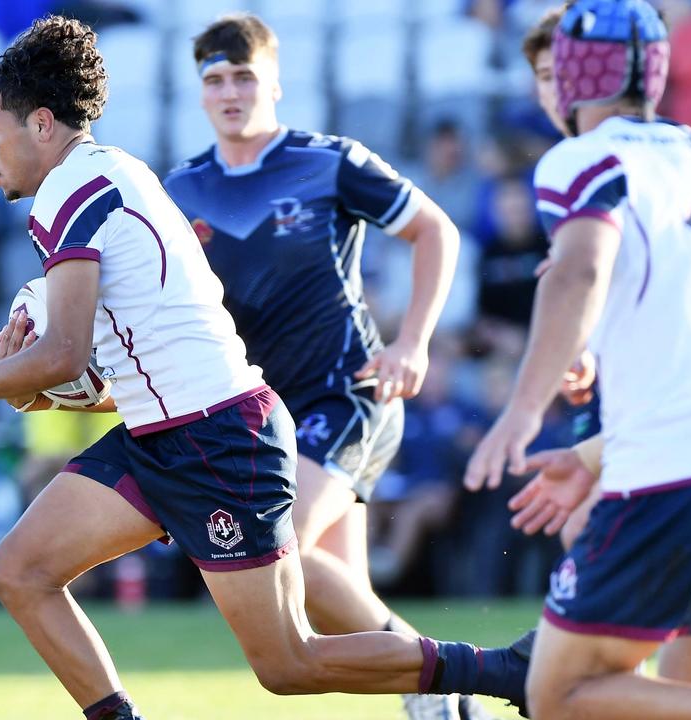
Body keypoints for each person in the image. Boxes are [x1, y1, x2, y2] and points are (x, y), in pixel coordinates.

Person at [0, 15, 528, 720]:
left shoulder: (75, 192)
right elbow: (119, 370)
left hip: (223, 437)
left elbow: (64, 353)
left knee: (289, 664)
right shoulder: (119, 174)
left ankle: (501, 670)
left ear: (40, 124)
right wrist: (39, 393)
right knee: (17, 571)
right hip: (169, 431)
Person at [161, 14, 472, 718]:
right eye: (215, 79)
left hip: (346, 393)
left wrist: (414, 341)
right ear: (200, 93)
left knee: (276, 549)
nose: (230, 90)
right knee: (340, 610)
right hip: (264, 417)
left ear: (274, 80)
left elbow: (434, 229)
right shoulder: (179, 192)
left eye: (244, 75)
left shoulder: (329, 162)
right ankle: (437, 694)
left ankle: (449, 678)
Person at [463, 1, 691, 717]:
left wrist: (523, 409)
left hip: (665, 478)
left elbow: (582, 273)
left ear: (564, 80)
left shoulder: (580, 159)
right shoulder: (689, 151)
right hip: (659, 452)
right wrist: (593, 451)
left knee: (559, 693)